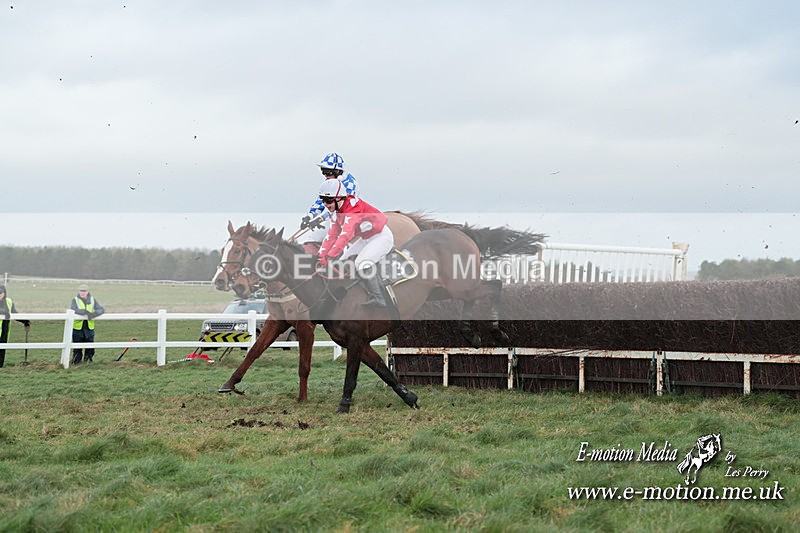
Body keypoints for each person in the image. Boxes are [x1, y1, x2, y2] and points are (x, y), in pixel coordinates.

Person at [316, 179, 393, 307]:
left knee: (361, 264)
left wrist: (329, 256)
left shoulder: (353, 209)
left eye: (328, 200)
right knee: (343, 261)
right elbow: (331, 236)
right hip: (366, 239)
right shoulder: (336, 213)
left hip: (381, 237)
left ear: (339, 198)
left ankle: (379, 297)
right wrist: (321, 256)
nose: (325, 203)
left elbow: (346, 235)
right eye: (322, 199)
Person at [299, 152, 359, 250]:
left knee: (315, 236)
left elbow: (338, 207)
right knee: (311, 237)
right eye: (323, 171)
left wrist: (320, 219)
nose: (325, 175)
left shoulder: (349, 184)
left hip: (347, 218)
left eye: (328, 172)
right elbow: (321, 202)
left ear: (338, 171)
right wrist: (309, 216)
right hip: (335, 217)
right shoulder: (330, 182)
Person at [70, 284, 105, 364]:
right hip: (78, 328)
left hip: (89, 328)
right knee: (77, 347)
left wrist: (94, 314)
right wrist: (85, 312)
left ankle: (88, 362)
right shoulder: (74, 300)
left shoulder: (92, 300)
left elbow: (101, 309)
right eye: (81, 291)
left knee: (90, 346)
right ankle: (76, 363)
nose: (82, 293)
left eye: (84, 291)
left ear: (87, 292)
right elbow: (74, 309)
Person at [0, 285, 31, 368]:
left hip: (4, 331)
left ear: (4, 293)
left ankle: (1, 366)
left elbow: (14, 314)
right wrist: (4, 313)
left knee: (2, 350)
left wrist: (24, 321)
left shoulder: (8, 302)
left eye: (1, 293)